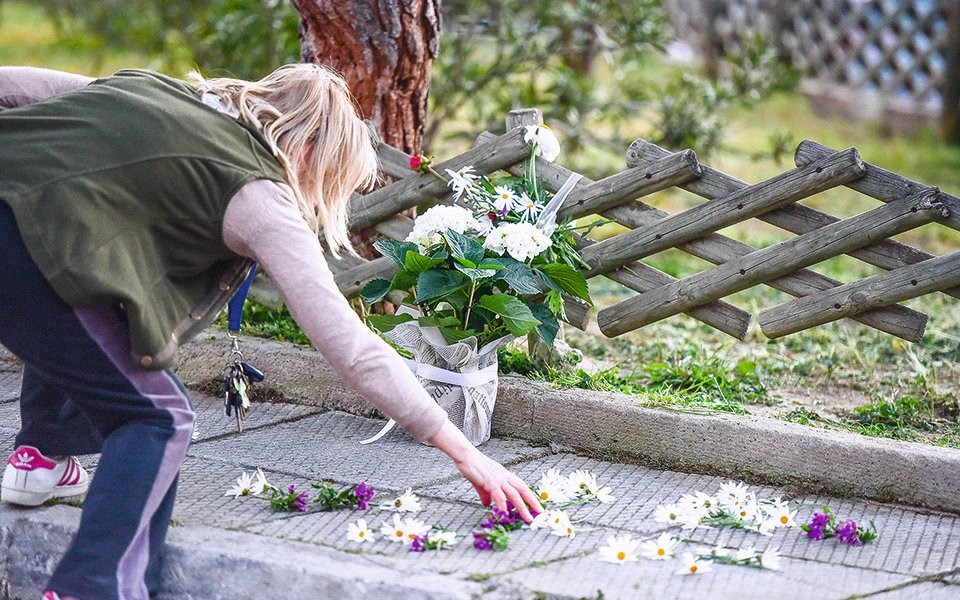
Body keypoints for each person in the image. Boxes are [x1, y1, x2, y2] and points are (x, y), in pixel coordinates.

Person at [0, 64, 541, 600]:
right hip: (28, 261)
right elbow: (349, 345)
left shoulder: (154, 89)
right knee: (157, 418)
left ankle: (43, 458)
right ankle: (88, 589)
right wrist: (462, 450)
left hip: (35, 242)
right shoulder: (260, 194)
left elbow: (14, 85)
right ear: (308, 151)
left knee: (107, 325)